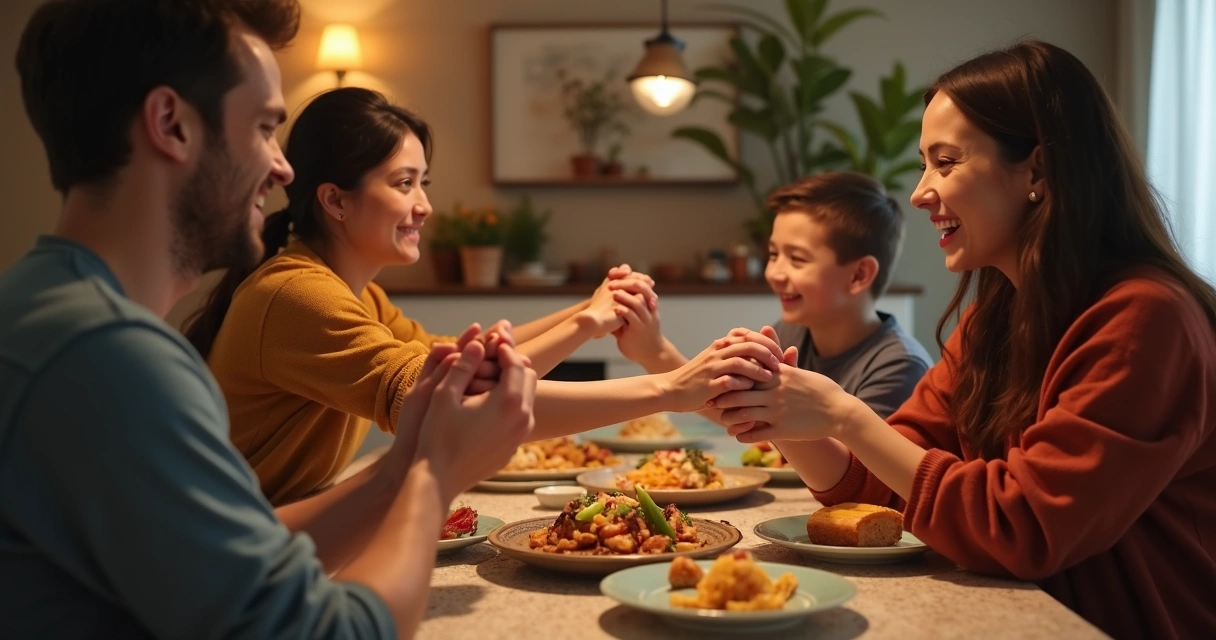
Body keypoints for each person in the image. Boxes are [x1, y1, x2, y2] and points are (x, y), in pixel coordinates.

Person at [0, 1, 536, 638]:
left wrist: (400, 472)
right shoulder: (110, 358)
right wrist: (433, 474)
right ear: (170, 124)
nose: (282, 168)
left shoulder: (45, 307)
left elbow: (248, 552)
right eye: (262, 127)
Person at [709, 41, 1216, 638]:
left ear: (1037, 171)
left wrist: (844, 416)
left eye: (944, 163)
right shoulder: (993, 321)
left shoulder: (1145, 319)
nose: (921, 192)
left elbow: (1026, 530)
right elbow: (891, 490)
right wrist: (785, 418)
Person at [183, 87, 780, 504]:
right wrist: (666, 387)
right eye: (404, 184)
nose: (425, 206)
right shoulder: (297, 294)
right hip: (237, 552)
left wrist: (589, 310)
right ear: (335, 200)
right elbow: (455, 396)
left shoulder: (347, 290)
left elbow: (449, 356)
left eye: (424, 184)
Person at [611, 171, 931, 423]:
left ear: (859, 275)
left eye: (798, 259)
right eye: (774, 254)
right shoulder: (793, 333)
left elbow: (853, 475)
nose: (774, 273)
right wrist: (653, 352)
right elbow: (744, 414)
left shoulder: (899, 367)